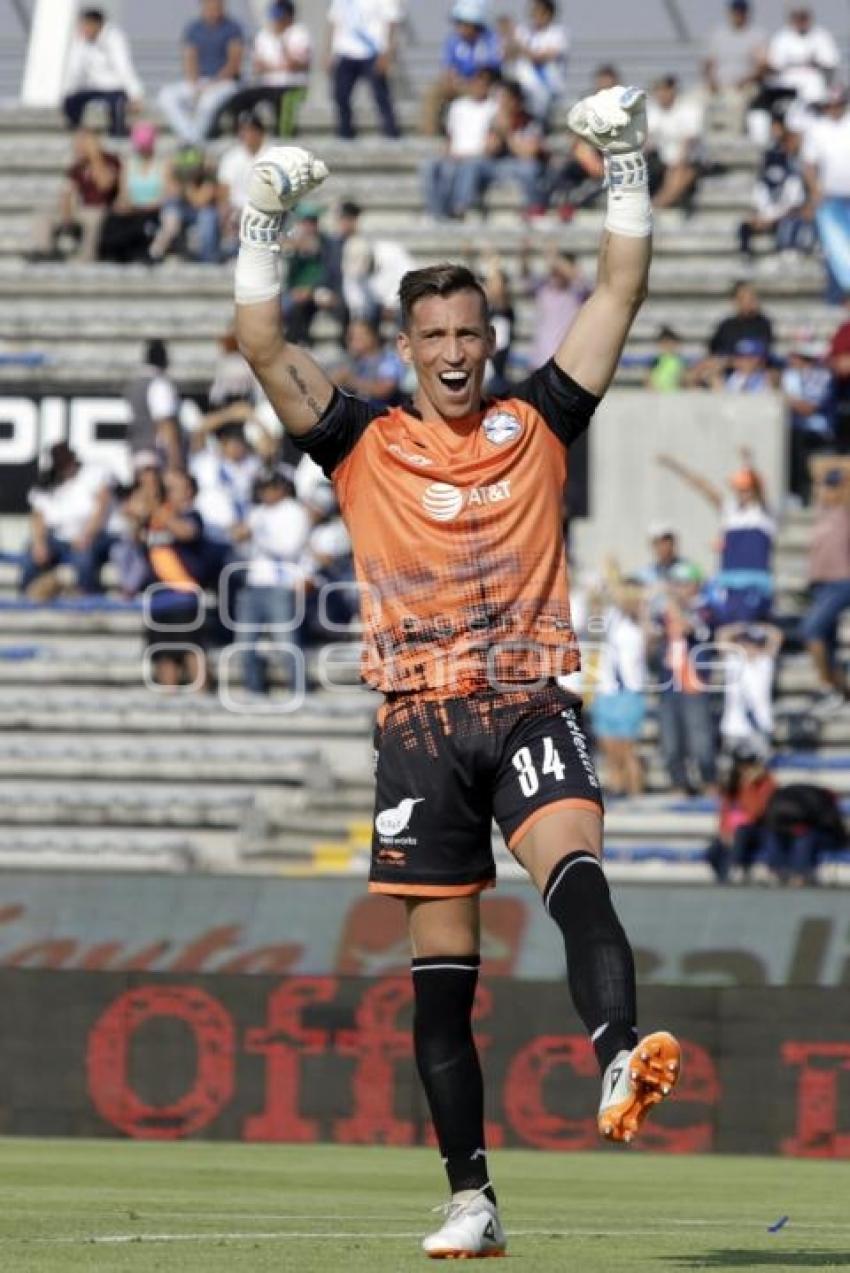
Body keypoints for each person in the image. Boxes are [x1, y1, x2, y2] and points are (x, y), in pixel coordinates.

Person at [234, 86, 681, 1258]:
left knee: (575, 870)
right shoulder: (362, 440)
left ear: (490, 339)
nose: (451, 354)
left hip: (529, 699)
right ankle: (470, 1199)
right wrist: (261, 225)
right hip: (417, 729)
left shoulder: (537, 420)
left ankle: (616, 1052)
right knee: (442, 988)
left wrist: (622, 161)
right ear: (406, 347)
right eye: (431, 337)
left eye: (468, 335)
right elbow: (262, 343)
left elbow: (619, 289)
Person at [657, 450, 776, 625]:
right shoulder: (730, 513)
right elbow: (704, 487)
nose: (741, 493)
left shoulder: (764, 515)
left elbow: (760, 491)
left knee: (744, 629)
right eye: (739, 489)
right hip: (729, 585)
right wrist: (675, 466)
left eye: (746, 489)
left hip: (754, 586)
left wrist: (747, 463)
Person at [232, 466, 310, 693]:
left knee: (286, 644)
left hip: (281, 587)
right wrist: (240, 537)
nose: (266, 492)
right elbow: (243, 550)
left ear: (282, 487)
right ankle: (254, 690)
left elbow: (289, 548)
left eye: (271, 487)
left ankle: (299, 691)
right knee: (245, 644)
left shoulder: (295, 512)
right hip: (254, 585)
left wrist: (256, 534)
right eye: (262, 488)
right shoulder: (256, 512)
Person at [20, 443, 113, 598]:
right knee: (31, 560)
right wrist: (39, 543)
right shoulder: (45, 485)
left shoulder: (92, 475)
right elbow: (38, 517)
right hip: (57, 538)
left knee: (84, 561)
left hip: (90, 536)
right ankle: (25, 602)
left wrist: (87, 535)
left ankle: (91, 601)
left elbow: (102, 507)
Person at [218, 1, 312, 138]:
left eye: (280, 17)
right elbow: (258, 67)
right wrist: (278, 66)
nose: (276, 21)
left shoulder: (300, 33)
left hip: (293, 85)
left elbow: (294, 65)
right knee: (239, 100)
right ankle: (243, 136)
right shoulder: (263, 35)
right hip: (267, 84)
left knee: (283, 101)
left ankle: (284, 138)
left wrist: (282, 43)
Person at [799, 466, 850, 714]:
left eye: (834, 487)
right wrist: (824, 479)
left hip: (840, 582)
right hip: (820, 585)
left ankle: (826, 687)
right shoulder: (822, 513)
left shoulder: (845, 512)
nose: (827, 491)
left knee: (811, 630)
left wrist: (843, 477)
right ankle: (842, 694)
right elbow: (818, 479)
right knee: (827, 644)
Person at [590, 577, 648, 797]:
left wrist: (640, 604)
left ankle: (635, 794)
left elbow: (648, 638)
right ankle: (617, 789)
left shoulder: (640, 621)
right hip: (606, 691)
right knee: (610, 751)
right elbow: (594, 609)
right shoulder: (610, 617)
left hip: (629, 692)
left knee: (627, 751)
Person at [157, 0, 244, 146]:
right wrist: (195, 85)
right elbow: (190, 59)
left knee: (207, 102)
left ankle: (192, 143)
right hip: (199, 81)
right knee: (166, 96)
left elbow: (233, 64)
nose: (213, 8)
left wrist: (212, 84)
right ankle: (192, 138)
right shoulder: (194, 28)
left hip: (225, 82)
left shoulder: (232, 28)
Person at [28, 129, 120, 263]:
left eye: (83, 144)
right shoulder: (76, 168)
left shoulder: (111, 160)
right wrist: (66, 212)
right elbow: (67, 191)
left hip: (102, 208)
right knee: (44, 214)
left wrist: (95, 157)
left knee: (94, 218)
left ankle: (87, 256)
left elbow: (105, 186)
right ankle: (44, 251)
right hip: (80, 208)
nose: (78, 148)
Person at [422, 67, 499, 222]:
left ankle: (460, 209)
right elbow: (450, 137)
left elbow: (492, 145)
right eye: (476, 82)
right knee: (429, 165)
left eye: (484, 83)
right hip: (456, 155)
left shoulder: (494, 108)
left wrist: (467, 155)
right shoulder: (457, 106)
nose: (479, 86)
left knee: (468, 166)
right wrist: (448, 153)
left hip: (479, 158)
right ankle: (434, 212)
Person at [420, 0, 502, 137]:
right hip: (461, 83)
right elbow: (449, 68)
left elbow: (492, 69)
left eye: (463, 23)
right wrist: (454, 80)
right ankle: (430, 134)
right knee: (433, 92)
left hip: (485, 85)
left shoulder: (490, 40)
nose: (459, 27)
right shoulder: (453, 41)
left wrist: (478, 82)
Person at [326, 0, 403, 141]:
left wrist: (387, 55)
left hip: (373, 52)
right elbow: (334, 23)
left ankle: (391, 133)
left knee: (381, 96)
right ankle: (345, 132)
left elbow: (392, 24)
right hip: (345, 52)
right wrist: (329, 52)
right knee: (341, 95)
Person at [738, 119, 815, 260]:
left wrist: (773, 217)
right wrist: (761, 218)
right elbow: (759, 204)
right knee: (745, 224)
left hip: (785, 216)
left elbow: (793, 206)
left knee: (794, 219)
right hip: (769, 215)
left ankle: (790, 247)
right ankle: (745, 256)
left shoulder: (792, 180)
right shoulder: (762, 183)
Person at [61, 7, 143, 138]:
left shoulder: (114, 39)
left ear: (96, 24)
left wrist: (135, 94)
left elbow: (124, 67)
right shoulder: (81, 41)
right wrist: (68, 91)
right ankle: (79, 133)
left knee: (117, 104)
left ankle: (118, 134)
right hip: (92, 87)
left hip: (114, 88)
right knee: (71, 102)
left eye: (86, 25)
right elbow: (75, 71)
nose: (83, 29)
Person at [802, 86, 850, 302]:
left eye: (838, 103)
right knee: (835, 248)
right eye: (830, 104)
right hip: (831, 198)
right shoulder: (817, 129)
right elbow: (809, 164)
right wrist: (815, 190)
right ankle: (837, 296)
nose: (834, 108)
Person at [478, 79, 550, 218]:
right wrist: (497, 134)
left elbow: (529, 154)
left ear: (515, 99)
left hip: (522, 166)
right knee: (475, 166)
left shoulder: (529, 120)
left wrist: (507, 133)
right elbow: (488, 151)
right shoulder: (495, 120)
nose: (501, 103)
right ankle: (468, 209)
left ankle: (535, 209)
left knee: (530, 169)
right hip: (499, 166)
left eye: (504, 98)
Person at [98, 121, 167, 265]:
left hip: (153, 210)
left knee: (142, 220)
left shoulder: (163, 165)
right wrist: (126, 205)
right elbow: (123, 193)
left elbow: (164, 196)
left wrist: (144, 206)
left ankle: (141, 253)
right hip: (133, 208)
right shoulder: (128, 164)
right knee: (114, 217)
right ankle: (112, 254)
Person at [498, 0, 569, 127]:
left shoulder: (558, 33)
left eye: (538, 12)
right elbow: (507, 54)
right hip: (520, 85)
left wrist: (519, 45)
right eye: (533, 11)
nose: (534, 15)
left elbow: (540, 57)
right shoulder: (524, 31)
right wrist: (508, 35)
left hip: (545, 87)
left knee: (536, 101)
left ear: (548, 14)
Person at [782, 333, 833, 502]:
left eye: (796, 356)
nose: (791, 360)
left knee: (798, 442)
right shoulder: (788, 375)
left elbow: (808, 409)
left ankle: (801, 494)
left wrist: (783, 398)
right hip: (790, 428)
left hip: (814, 431)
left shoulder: (821, 376)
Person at [703, 0, 767, 133]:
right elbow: (708, 62)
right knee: (695, 101)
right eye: (735, 12)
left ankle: (731, 142)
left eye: (741, 12)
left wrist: (746, 80)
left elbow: (762, 67)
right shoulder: (719, 35)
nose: (738, 15)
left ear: (746, 14)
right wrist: (711, 82)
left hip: (744, 86)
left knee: (735, 103)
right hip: (719, 86)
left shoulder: (756, 36)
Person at [645, 75, 704, 210]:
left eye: (664, 90)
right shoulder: (652, 111)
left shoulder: (689, 108)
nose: (661, 94)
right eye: (658, 90)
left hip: (689, 160)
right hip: (662, 161)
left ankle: (661, 202)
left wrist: (679, 159)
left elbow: (690, 140)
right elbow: (647, 138)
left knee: (680, 170)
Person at [124, 339, 183, 471]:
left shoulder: (135, 385)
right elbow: (166, 424)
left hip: (137, 453)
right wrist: (176, 462)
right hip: (157, 456)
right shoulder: (160, 385)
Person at [329, 317, 405, 406]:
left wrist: (350, 380)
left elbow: (384, 389)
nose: (354, 340)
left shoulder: (389, 359)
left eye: (360, 335)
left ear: (373, 336)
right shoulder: (352, 361)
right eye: (351, 336)